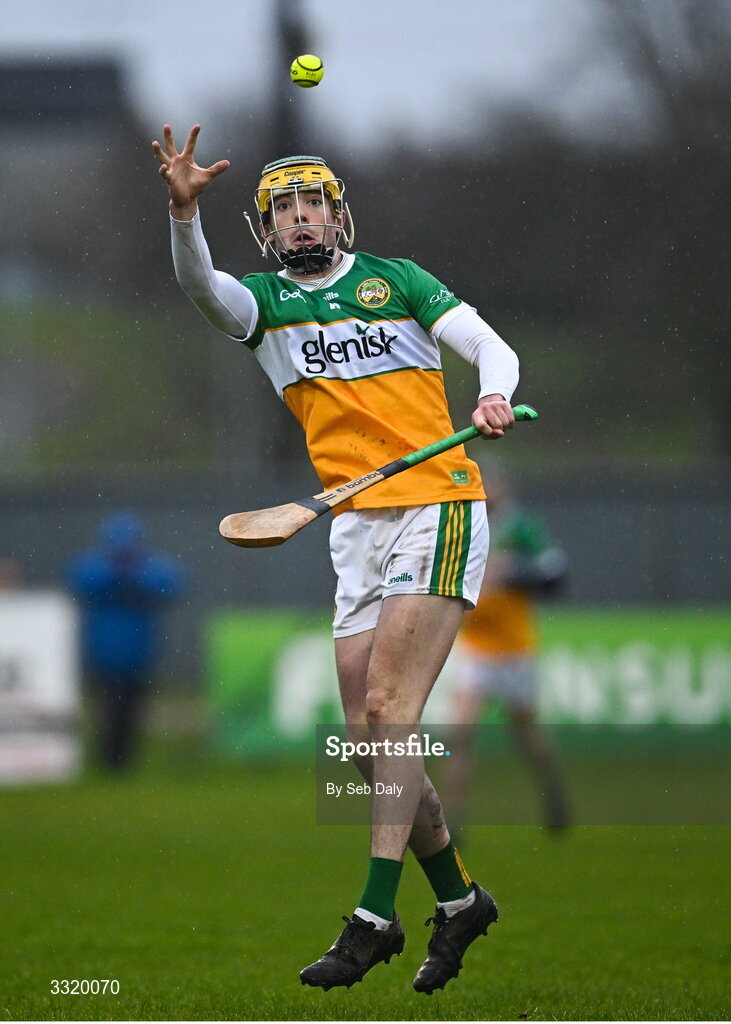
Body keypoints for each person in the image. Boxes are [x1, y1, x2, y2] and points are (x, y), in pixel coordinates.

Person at [152, 124, 520, 994]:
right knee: (367, 745)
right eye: (284, 211)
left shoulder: (398, 282)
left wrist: (495, 392)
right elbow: (199, 287)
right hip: (353, 526)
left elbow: (486, 344)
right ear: (268, 232)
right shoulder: (263, 306)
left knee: (392, 710)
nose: (301, 220)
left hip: (437, 504)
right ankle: (461, 900)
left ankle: (372, 917)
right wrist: (181, 212)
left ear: (337, 215)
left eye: (313, 204)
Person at [447, 473, 569, 832]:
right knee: (461, 731)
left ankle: (553, 793)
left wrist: (513, 573)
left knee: (527, 735)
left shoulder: (520, 528)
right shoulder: (463, 524)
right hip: (476, 646)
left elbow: (554, 573)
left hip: (514, 648)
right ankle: (453, 820)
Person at [64, 511, 185, 772]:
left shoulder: (148, 569)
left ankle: (124, 762)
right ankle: (110, 761)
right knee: (109, 711)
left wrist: (133, 575)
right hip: (105, 656)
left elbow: (172, 584)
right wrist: (119, 574)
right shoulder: (97, 568)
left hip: (139, 656)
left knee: (132, 711)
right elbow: (80, 580)